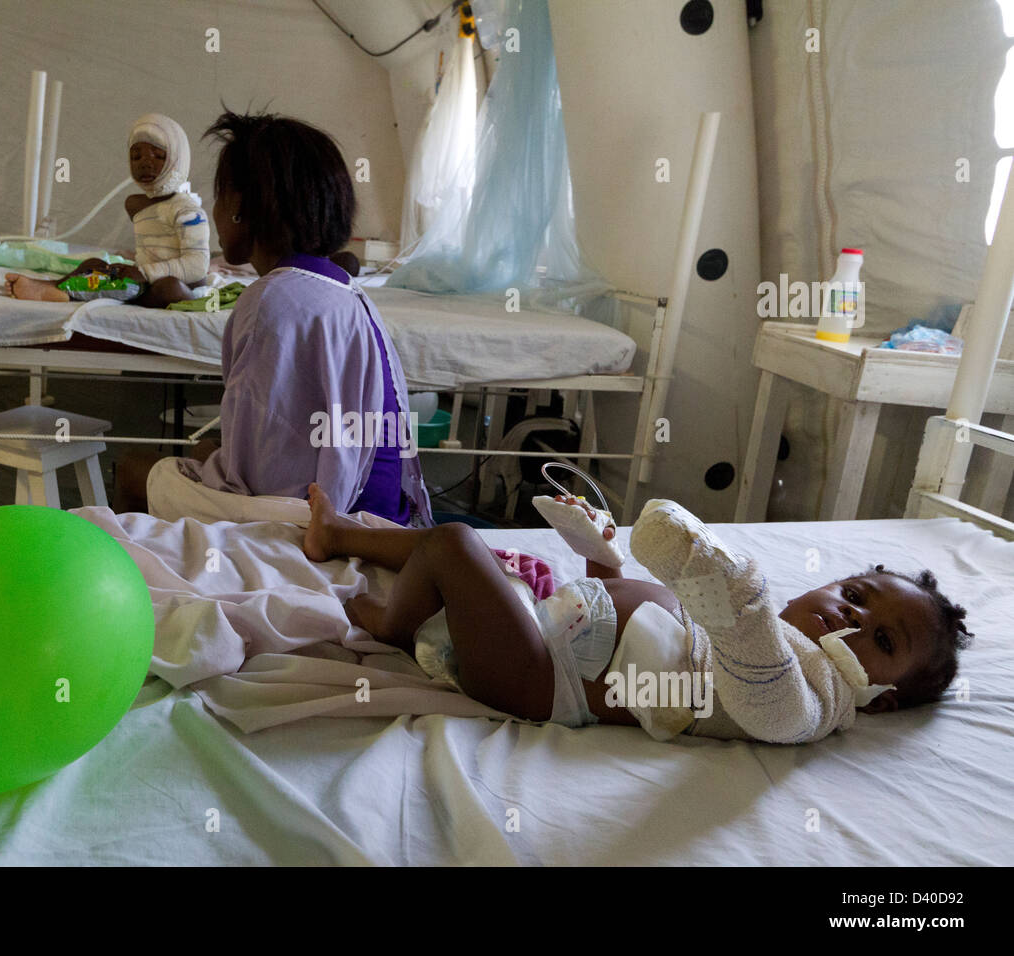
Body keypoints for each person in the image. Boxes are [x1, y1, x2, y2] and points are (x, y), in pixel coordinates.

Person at [302, 484, 972, 743]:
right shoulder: (741, 634)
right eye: (853, 596)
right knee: (498, 558)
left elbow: (769, 703)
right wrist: (599, 557)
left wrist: (736, 592)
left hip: (542, 677)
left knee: (455, 545)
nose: (847, 620)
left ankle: (389, 624)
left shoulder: (815, 696)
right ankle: (338, 535)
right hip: (557, 620)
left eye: (880, 638)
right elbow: (635, 624)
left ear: (879, 698)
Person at [113, 110, 432, 527]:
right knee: (200, 453)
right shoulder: (344, 289)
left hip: (328, 520)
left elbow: (258, 479)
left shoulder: (273, 301)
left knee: (134, 467)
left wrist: (215, 457)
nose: (214, 210)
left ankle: (156, 583)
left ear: (243, 206)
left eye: (220, 195)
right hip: (379, 510)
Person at [4, 113, 209, 309]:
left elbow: (197, 265)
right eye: (136, 157)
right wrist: (132, 270)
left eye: (159, 155)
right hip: (144, 278)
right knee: (93, 265)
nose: (145, 163)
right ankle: (52, 286)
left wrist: (145, 272)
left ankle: (81, 293)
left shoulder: (188, 211)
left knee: (168, 288)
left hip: (182, 285)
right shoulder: (136, 205)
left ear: (178, 159)